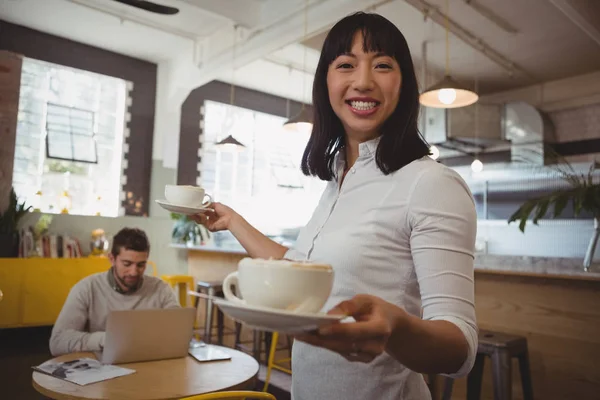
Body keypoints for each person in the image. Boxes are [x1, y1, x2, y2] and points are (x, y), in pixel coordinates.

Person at [194, 12, 477, 400]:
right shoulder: (339, 179)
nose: (363, 81)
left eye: (382, 65)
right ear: (325, 82)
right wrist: (233, 221)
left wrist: (397, 328)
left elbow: (460, 345)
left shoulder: (431, 183)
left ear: (404, 84)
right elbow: (300, 273)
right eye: (346, 65)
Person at [49, 228, 179, 356]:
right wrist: (105, 340)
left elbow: (179, 333)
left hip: (150, 365)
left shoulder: (161, 289)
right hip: (101, 370)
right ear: (112, 259)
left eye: (141, 265)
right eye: (127, 264)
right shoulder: (86, 288)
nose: (134, 272)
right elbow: (57, 342)